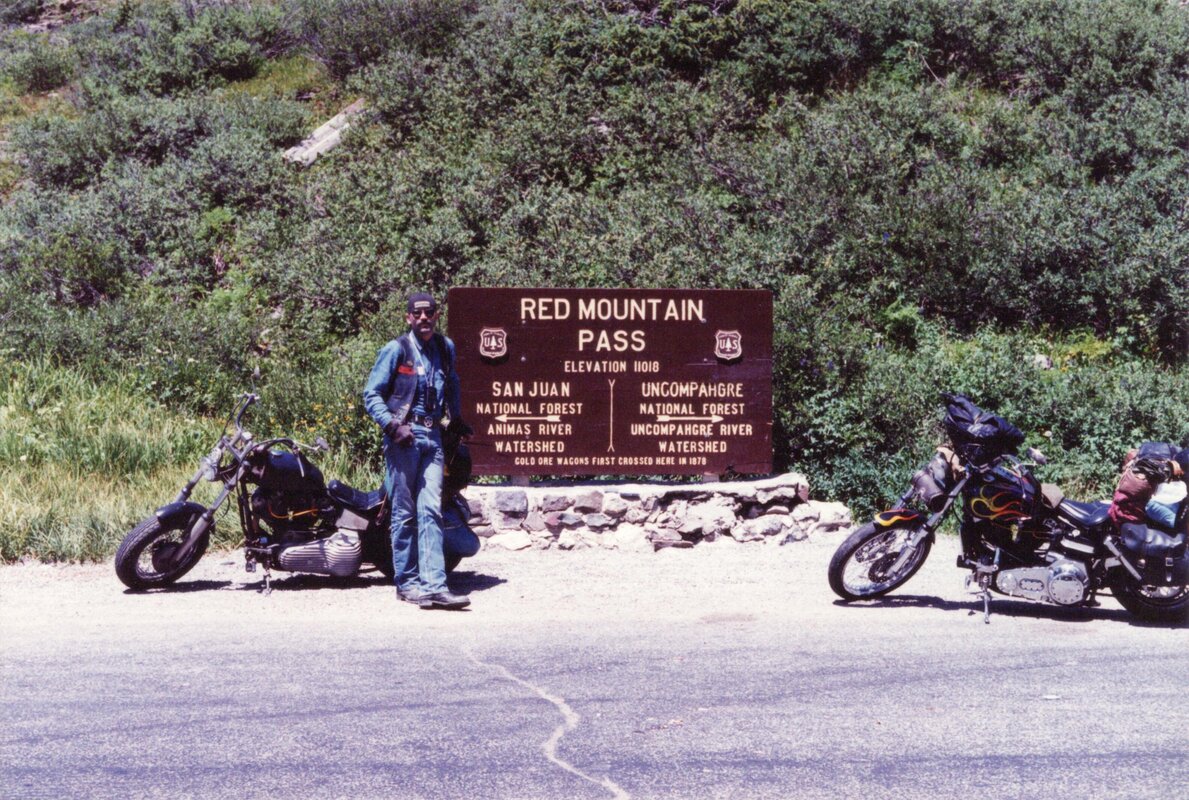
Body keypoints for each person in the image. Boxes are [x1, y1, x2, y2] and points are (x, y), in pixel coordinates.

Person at [363, 292, 473, 610]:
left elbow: (452, 383)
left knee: (431, 511)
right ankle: (408, 583)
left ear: (437, 315)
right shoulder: (396, 349)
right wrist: (392, 426)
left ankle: (436, 585)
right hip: (404, 438)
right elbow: (371, 394)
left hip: (433, 437)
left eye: (430, 313)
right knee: (404, 512)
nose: (424, 319)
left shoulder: (444, 347)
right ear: (408, 317)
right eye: (417, 314)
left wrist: (457, 420)